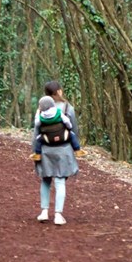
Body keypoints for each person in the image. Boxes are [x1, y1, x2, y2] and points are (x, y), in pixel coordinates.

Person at [33, 81, 80, 225]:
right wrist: (76, 148)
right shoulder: (67, 108)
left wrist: (36, 152)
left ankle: (44, 212)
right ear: (59, 91)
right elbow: (74, 130)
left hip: (46, 149)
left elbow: (36, 132)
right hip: (64, 149)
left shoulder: (41, 109)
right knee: (60, 181)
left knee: (46, 180)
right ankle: (58, 214)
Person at [31, 95, 83, 161]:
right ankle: (77, 150)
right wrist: (69, 127)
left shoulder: (41, 116)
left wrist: (38, 113)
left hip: (48, 139)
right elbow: (66, 121)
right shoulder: (58, 112)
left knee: (38, 139)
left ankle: (38, 154)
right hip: (63, 136)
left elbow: (37, 123)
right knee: (72, 135)